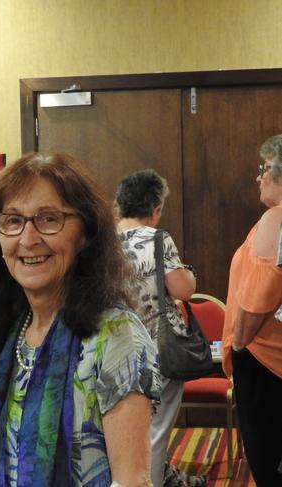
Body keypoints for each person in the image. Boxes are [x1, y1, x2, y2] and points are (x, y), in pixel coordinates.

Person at [0, 151, 160, 487]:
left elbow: (132, 481)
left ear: (84, 234)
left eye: (48, 219)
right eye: (13, 221)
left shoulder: (116, 335)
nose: (28, 239)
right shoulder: (10, 330)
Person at [115, 169, 198, 487]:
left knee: (120, 432)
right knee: (155, 432)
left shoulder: (101, 242)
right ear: (155, 208)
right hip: (158, 350)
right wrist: (189, 272)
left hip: (114, 350)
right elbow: (182, 289)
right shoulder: (157, 239)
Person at [221, 134, 282, 487]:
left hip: (263, 362)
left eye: (265, 168)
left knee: (267, 462)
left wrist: (240, 342)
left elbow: (263, 290)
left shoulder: (276, 217)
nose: (258, 177)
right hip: (271, 360)